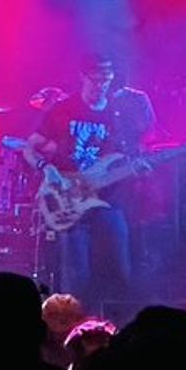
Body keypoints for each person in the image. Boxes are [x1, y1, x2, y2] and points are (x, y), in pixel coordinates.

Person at [26, 51, 155, 306]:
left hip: (108, 202)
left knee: (121, 275)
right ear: (82, 77)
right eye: (95, 80)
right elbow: (29, 147)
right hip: (70, 202)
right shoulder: (63, 110)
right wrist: (45, 167)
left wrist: (136, 168)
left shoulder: (118, 114)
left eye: (106, 80)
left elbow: (127, 154)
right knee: (77, 281)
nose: (101, 86)